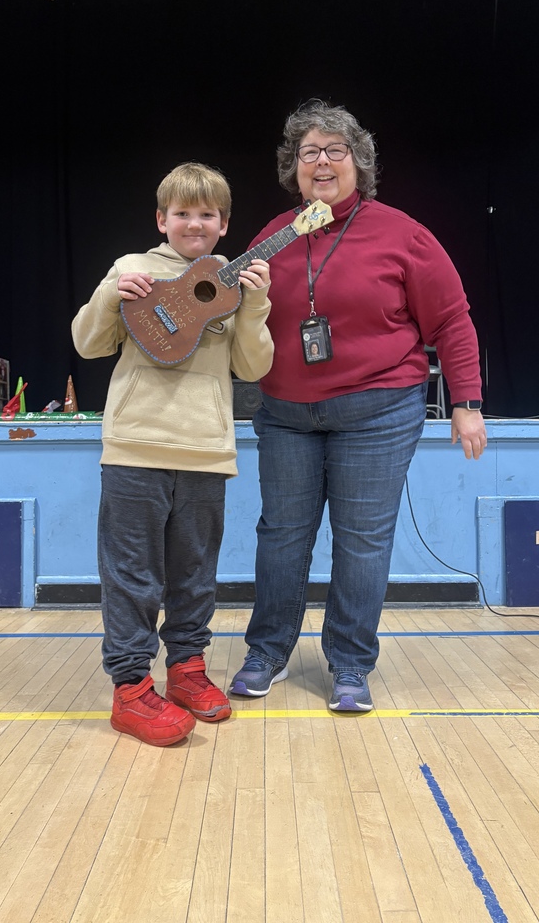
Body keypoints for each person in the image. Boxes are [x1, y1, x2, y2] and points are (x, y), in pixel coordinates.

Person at [229, 100, 487, 713]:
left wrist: (467, 402)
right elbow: (230, 314)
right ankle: (266, 653)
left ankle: (349, 664)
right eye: (308, 152)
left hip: (377, 410)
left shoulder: (403, 233)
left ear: (358, 163)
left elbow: (451, 320)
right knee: (281, 537)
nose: (321, 162)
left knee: (363, 543)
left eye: (335, 151)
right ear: (293, 168)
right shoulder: (271, 236)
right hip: (287, 413)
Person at [72, 162, 273, 746]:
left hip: (207, 448)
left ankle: (187, 673)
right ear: (162, 219)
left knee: (194, 575)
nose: (194, 222)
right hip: (135, 444)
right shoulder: (131, 269)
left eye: (206, 213)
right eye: (182, 212)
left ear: (224, 224)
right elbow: (88, 344)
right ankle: (132, 691)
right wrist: (112, 295)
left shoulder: (234, 284)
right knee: (133, 576)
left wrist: (256, 307)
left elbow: (253, 368)